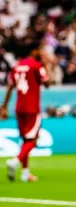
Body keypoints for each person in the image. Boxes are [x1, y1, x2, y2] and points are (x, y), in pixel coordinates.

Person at [0, 42, 50, 182]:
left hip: (19, 107)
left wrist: (4, 106)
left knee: (25, 140)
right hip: (32, 108)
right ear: (33, 51)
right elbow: (47, 83)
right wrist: (46, 64)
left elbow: (10, 86)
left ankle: (25, 173)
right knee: (32, 140)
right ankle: (14, 162)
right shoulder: (36, 65)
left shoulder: (16, 66)